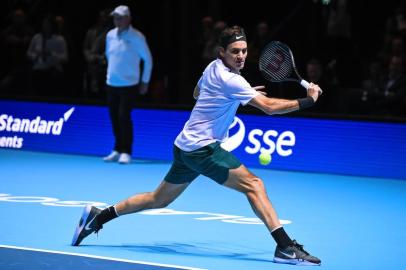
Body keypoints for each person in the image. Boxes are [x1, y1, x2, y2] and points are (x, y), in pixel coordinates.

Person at [72, 25, 321, 266]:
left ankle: (98, 216)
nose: (241, 56)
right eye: (235, 51)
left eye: (244, 50)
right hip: (202, 149)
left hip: (184, 146)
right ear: (221, 52)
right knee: (255, 185)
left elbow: (196, 94)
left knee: (158, 199)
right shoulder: (232, 81)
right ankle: (285, 247)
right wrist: (307, 100)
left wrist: (234, 96)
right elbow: (268, 107)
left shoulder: (213, 68)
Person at [102, 5, 153, 164]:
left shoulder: (137, 37)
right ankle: (117, 149)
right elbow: (109, 56)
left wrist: (145, 81)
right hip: (111, 83)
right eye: (115, 17)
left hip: (129, 85)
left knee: (124, 116)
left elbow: (148, 60)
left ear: (128, 19)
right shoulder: (110, 35)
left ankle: (126, 151)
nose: (117, 20)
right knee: (114, 117)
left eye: (120, 17)